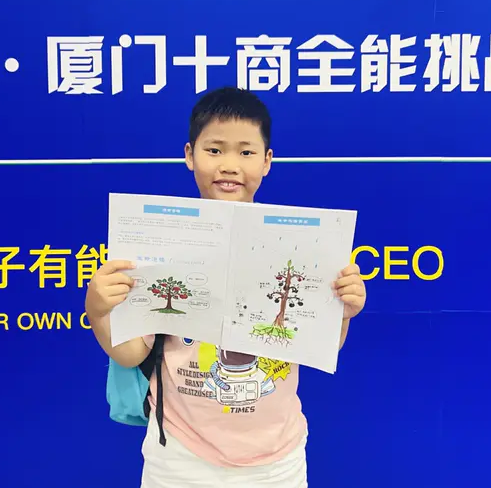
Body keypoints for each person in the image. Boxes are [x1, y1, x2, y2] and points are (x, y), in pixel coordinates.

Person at [85, 86, 366, 487]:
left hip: (277, 461)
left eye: (246, 152)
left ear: (267, 161)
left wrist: (342, 312)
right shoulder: (161, 242)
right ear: (189, 155)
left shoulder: (298, 246)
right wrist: (98, 310)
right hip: (178, 456)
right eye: (214, 150)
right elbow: (131, 353)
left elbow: (321, 345)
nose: (230, 165)